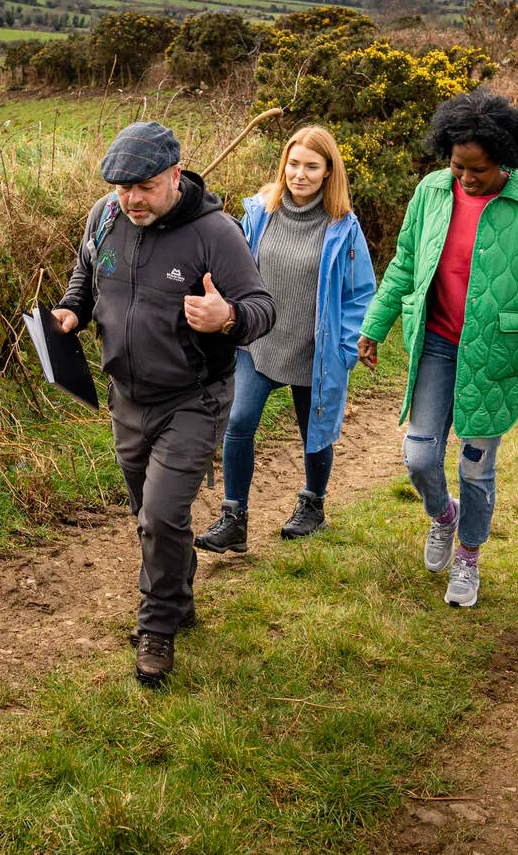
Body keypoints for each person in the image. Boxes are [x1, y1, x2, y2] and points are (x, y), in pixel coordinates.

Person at [52, 121, 276, 687]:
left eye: (145, 187)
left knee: (160, 515)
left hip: (194, 399)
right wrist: (72, 310)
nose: (132, 200)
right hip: (126, 398)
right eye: (122, 187)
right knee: (150, 516)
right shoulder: (105, 216)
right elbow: (86, 274)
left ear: (175, 176)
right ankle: (179, 598)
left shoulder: (215, 233)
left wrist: (227, 317)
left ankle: (157, 628)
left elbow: (262, 308)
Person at [357, 90, 518, 609]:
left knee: (475, 468)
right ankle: (445, 516)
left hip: (496, 359)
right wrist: (375, 325)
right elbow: (404, 263)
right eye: (457, 165)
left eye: (477, 170)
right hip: (436, 346)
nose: (465, 178)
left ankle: (468, 557)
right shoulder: (431, 193)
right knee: (419, 457)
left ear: (505, 160)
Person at [194, 126, 376, 552]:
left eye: (311, 166)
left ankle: (313, 506)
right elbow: (232, 266)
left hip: (314, 349)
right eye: (293, 164)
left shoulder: (343, 226)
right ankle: (234, 519)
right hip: (258, 341)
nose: (300, 174)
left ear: (328, 171)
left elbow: (359, 293)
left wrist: (345, 349)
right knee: (239, 422)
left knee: (315, 429)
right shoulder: (260, 212)